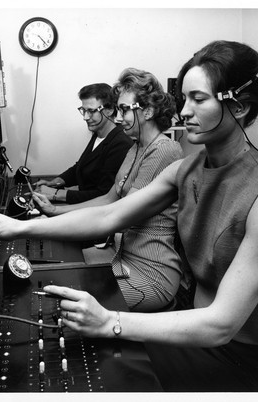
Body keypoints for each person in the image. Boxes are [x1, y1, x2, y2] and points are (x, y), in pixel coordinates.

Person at [0, 41, 258, 392]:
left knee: (110, 364)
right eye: (184, 99)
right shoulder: (188, 167)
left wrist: (110, 322)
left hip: (244, 360)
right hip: (200, 337)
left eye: (199, 99)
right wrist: (18, 227)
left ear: (238, 106)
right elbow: (108, 216)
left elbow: (222, 323)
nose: (184, 112)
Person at [32, 68, 185, 312]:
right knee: (55, 282)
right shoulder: (135, 148)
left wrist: (38, 224)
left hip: (152, 273)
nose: (119, 117)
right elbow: (107, 199)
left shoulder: (165, 150)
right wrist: (53, 211)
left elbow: (118, 216)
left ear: (148, 111)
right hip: (123, 260)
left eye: (125, 109)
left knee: (66, 304)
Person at [34, 83, 132, 204]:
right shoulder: (98, 133)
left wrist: (55, 194)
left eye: (91, 111)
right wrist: (55, 182)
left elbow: (104, 195)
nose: (85, 117)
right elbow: (81, 167)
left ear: (110, 110)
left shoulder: (121, 143)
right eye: (83, 110)